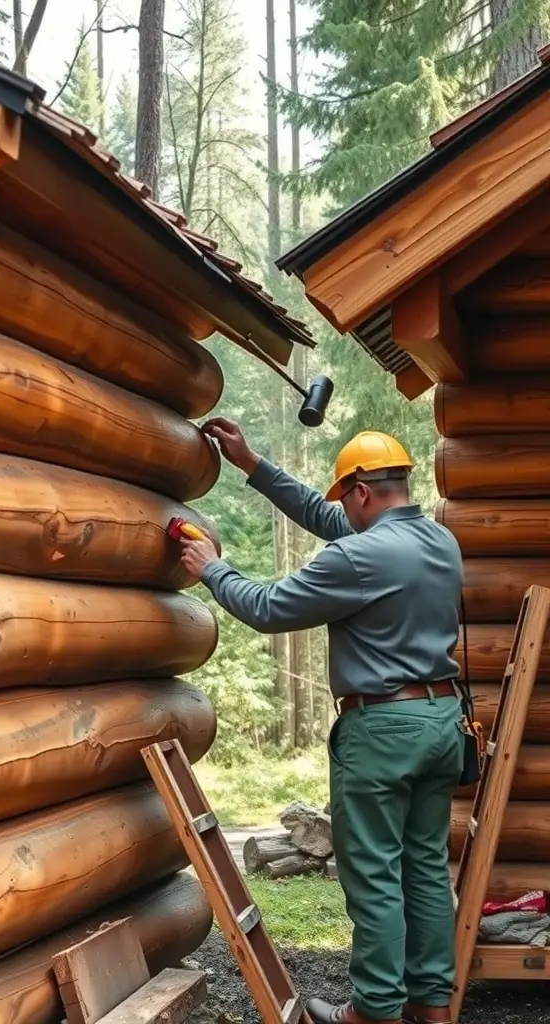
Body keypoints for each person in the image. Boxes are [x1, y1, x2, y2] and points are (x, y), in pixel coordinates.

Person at [180, 417, 465, 1024]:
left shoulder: (360, 556)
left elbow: (265, 608)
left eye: (345, 499)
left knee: (374, 877)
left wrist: (211, 569)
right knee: (426, 870)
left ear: (361, 492)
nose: (341, 510)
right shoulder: (438, 541)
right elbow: (323, 515)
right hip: (443, 722)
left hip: (384, 731)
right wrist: (252, 463)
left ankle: (374, 1012)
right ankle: (433, 1008)